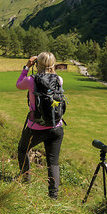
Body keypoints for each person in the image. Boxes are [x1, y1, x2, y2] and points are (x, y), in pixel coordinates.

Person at [16, 51, 64, 199]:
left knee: (23, 149)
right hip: (56, 126)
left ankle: (26, 179)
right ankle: (53, 196)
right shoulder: (59, 79)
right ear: (53, 64)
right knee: (53, 162)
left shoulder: (31, 80)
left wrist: (26, 66)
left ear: (37, 64)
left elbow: (19, 85)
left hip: (36, 127)